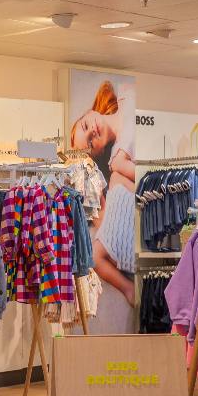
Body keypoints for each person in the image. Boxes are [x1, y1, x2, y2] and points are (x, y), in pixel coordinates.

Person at [70, 80, 136, 305]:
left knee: (96, 253)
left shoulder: (126, 96)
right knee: (94, 254)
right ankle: (129, 288)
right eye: (90, 142)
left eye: (84, 125)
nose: (92, 131)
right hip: (136, 204)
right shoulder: (114, 159)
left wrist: (120, 167)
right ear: (96, 152)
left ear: (87, 113)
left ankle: (129, 287)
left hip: (142, 192)